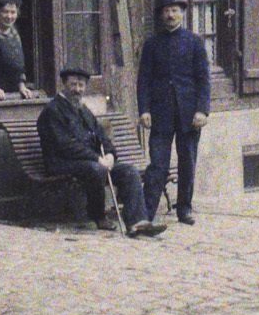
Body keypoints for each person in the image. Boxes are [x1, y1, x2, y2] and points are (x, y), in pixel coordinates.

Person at [37, 66, 165, 237]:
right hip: (61, 162)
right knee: (96, 169)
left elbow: (102, 136)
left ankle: (137, 222)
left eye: (81, 85)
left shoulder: (83, 110)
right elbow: (65, 146)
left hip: (90, 162)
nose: (77, 89)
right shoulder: (52, 111)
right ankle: (99, 216)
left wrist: (110, 154)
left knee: (129, 171)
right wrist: (97, 158)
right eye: (73, 85)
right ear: (63, 85)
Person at [138, 0, 211, 225]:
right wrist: (144, 109)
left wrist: (202, 110)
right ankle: (146, 214)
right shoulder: (152, 44)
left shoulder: (194, 42)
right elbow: (143, 80)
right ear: (161, 15)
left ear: (182, 13)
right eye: (167, 11)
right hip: (160, 114)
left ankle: (184, 209)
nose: (170, 15)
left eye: (175, 10)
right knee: (158, 164)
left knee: (187, 162)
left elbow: (203, 80)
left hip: (189, 115)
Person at [0, 0, 39, 100]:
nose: (9, 16)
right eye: (5, 12)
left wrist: (22, 85)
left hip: (14, 89)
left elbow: (19, 62)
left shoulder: (15, 30)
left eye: (13, 12)